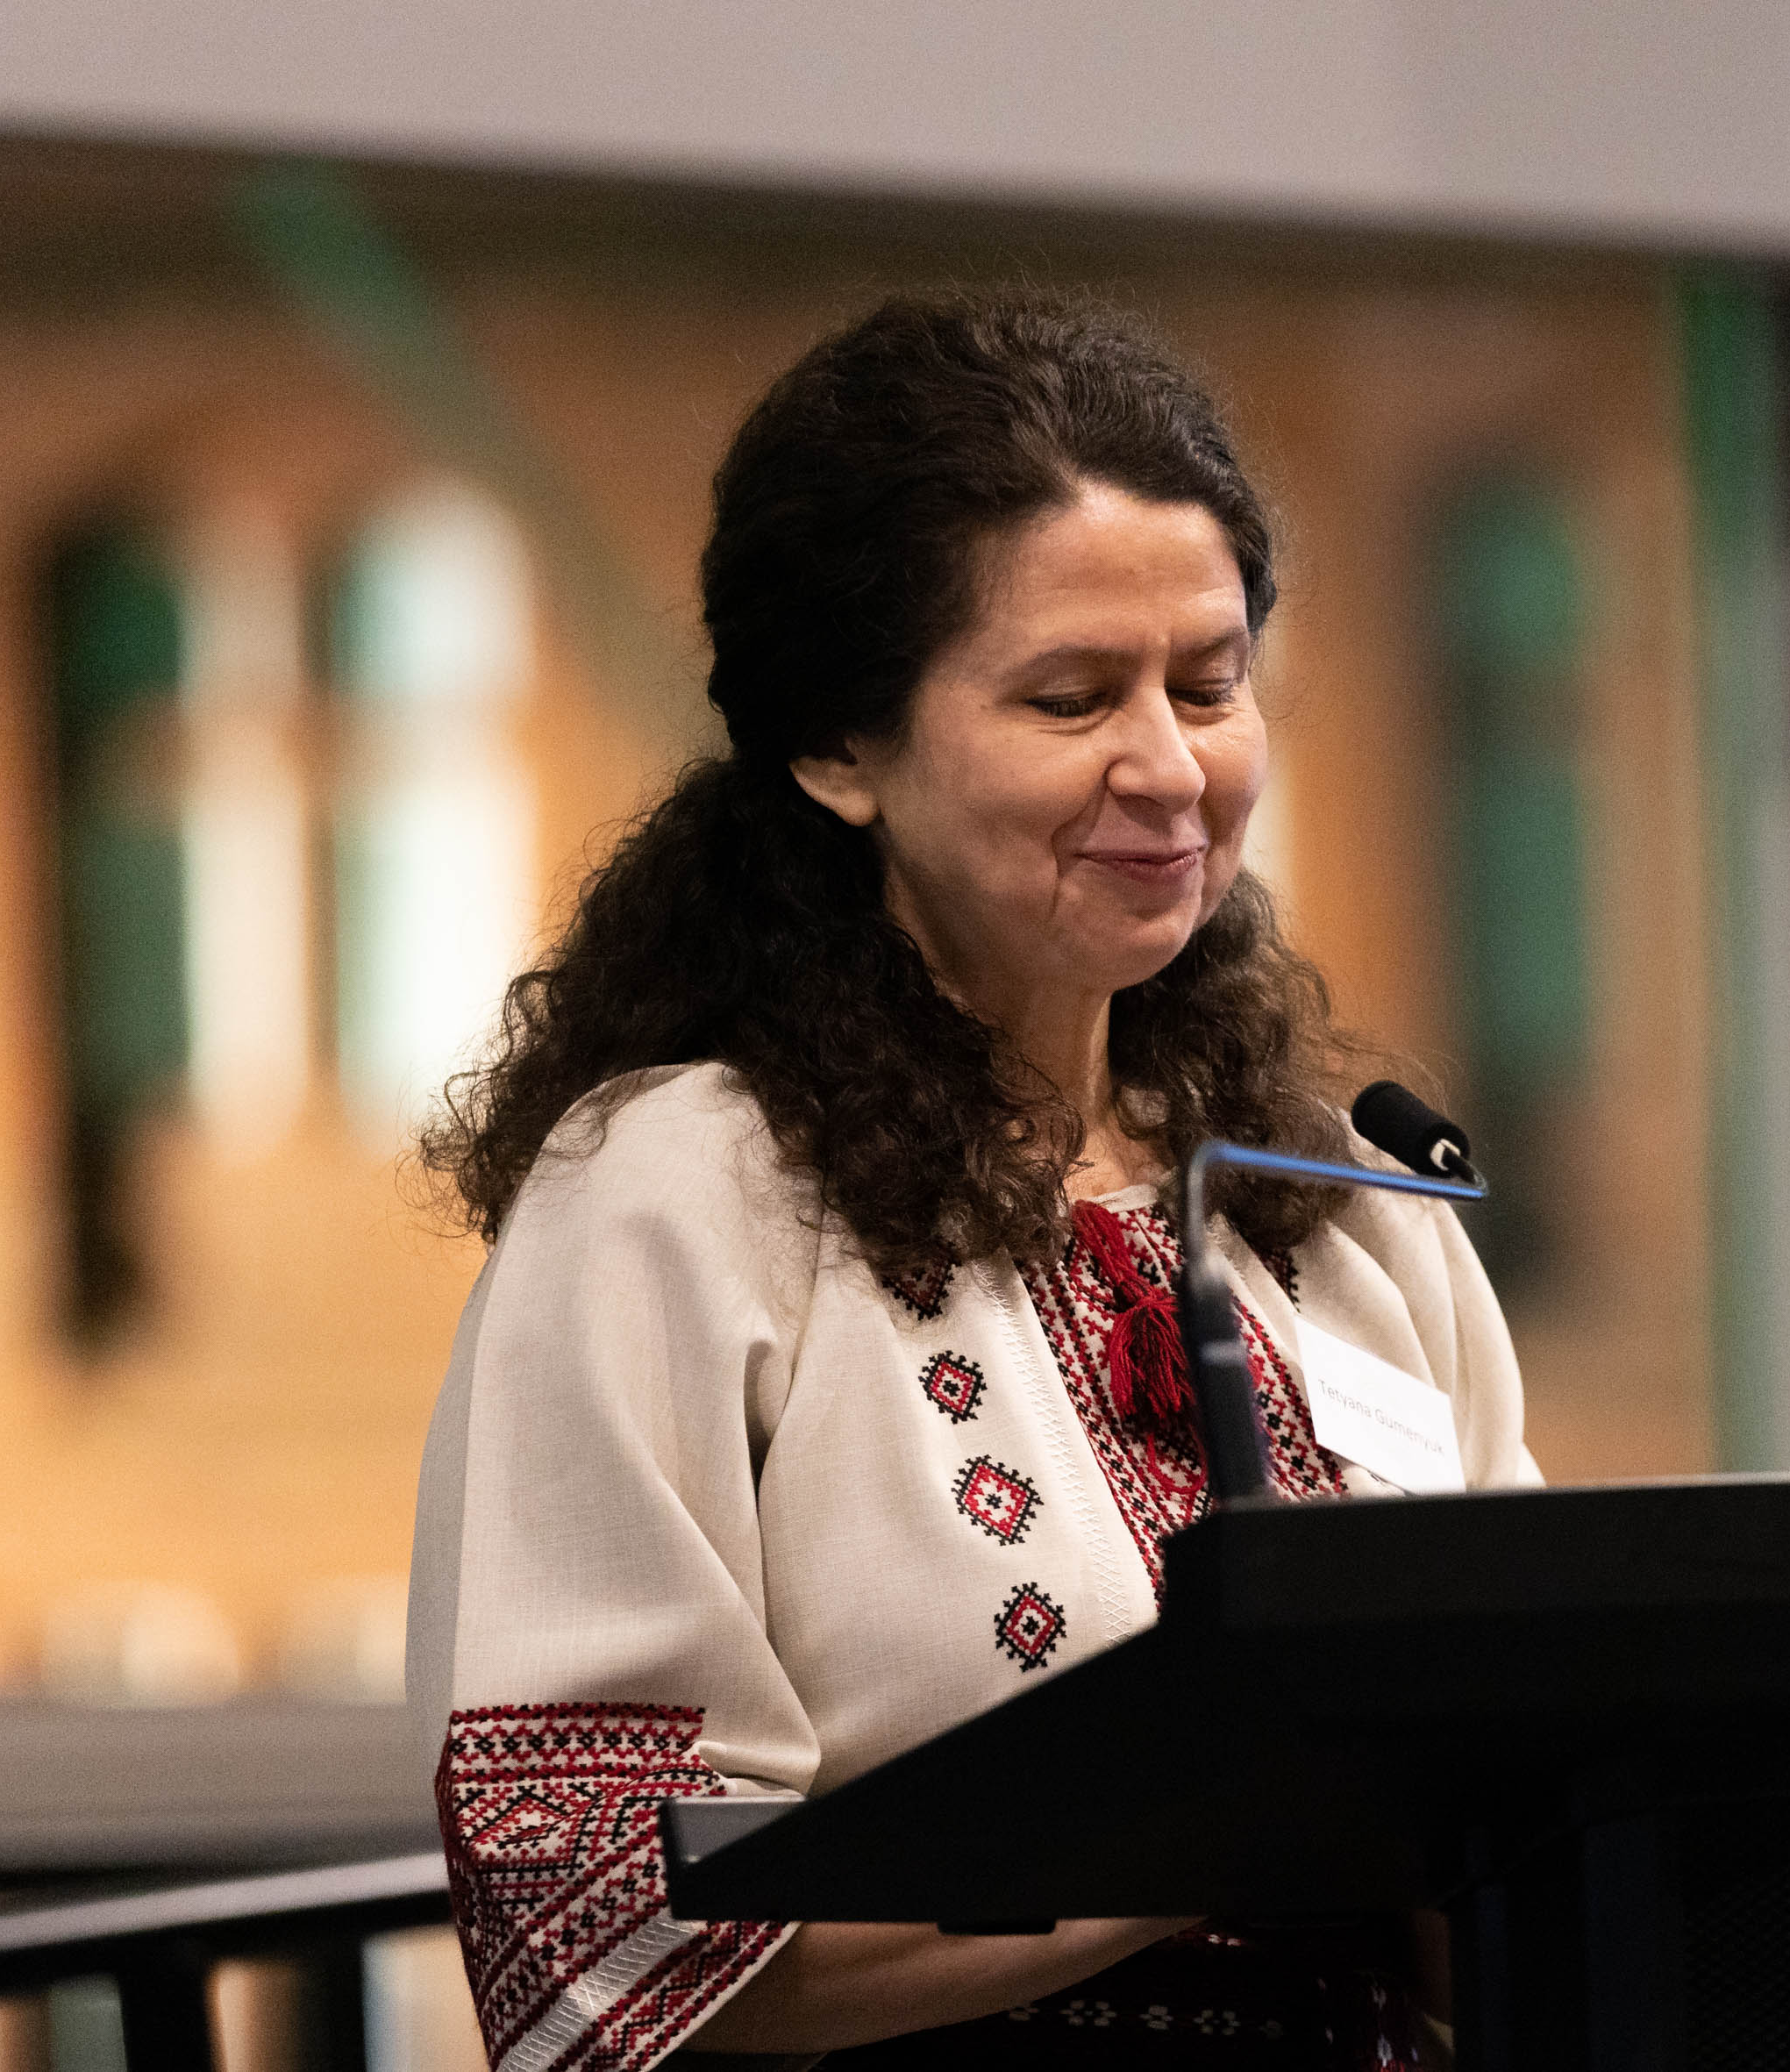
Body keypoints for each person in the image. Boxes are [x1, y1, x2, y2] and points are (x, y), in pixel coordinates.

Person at [407, 289, 1539, 2072]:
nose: (1168, 766)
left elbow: (1541, 1806)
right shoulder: (675, 1196)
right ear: (835, 748)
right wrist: (1230, 1815)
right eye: (1069, 698)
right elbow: (598, 1916)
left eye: (1209, 685)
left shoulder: (1341, 1208)